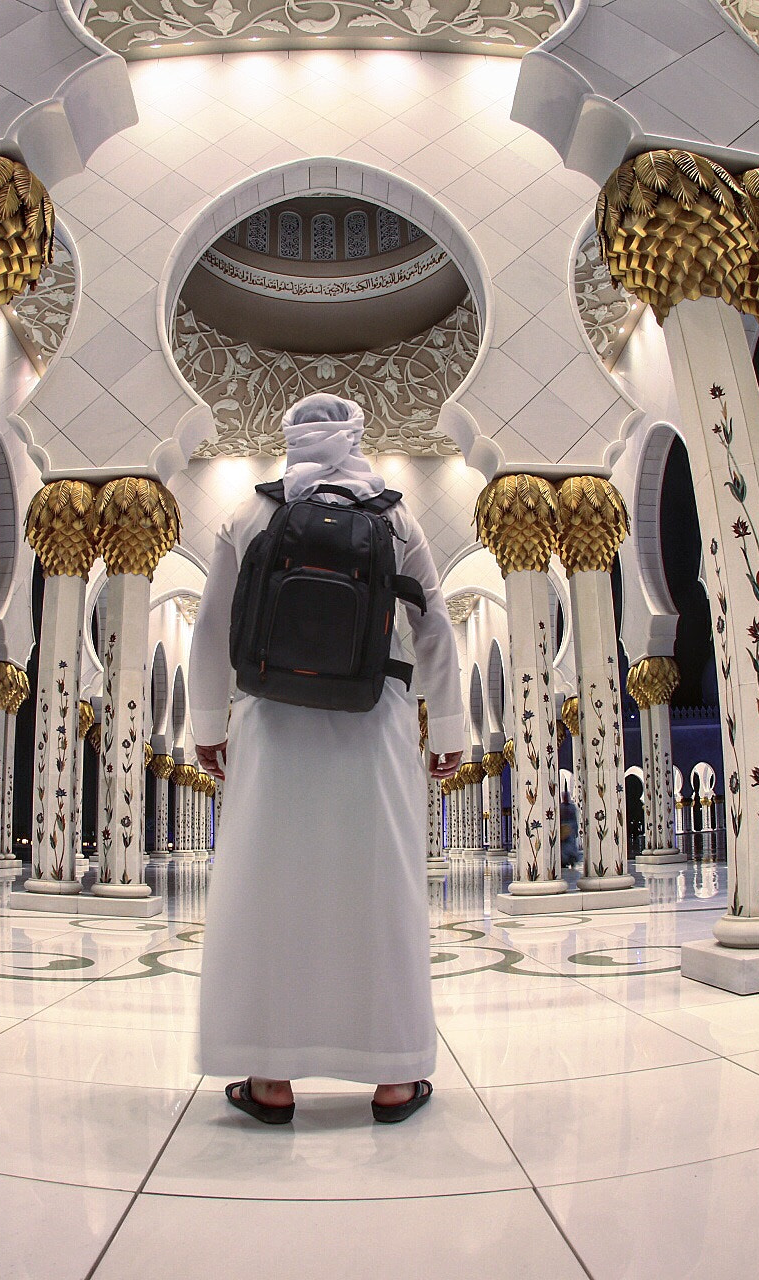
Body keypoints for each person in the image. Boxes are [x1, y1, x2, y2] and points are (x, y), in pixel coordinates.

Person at [189, 393, 465, 1126]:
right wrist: (451, 729)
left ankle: (270, 1080)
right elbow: (433, 625)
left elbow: (213, 625)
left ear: (290, 441)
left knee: (268, 886)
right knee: (380, 887)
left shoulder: (251, 514)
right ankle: (395, 1079)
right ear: (355, 438)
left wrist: (207, 721)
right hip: (373, 725)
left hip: (272, 725)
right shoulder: (392, 515)